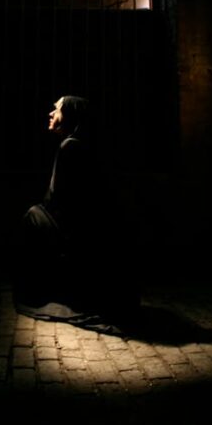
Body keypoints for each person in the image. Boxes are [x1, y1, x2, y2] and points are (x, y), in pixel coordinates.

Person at [12, 94, 136, 333]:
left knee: (32, 216)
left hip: (74, 231)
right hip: (82, 226)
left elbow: (61, 199)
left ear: (69, 116)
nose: (51, 113)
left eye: (57, 109)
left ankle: (38, 292)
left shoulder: (70, 146)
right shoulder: (81, 144)